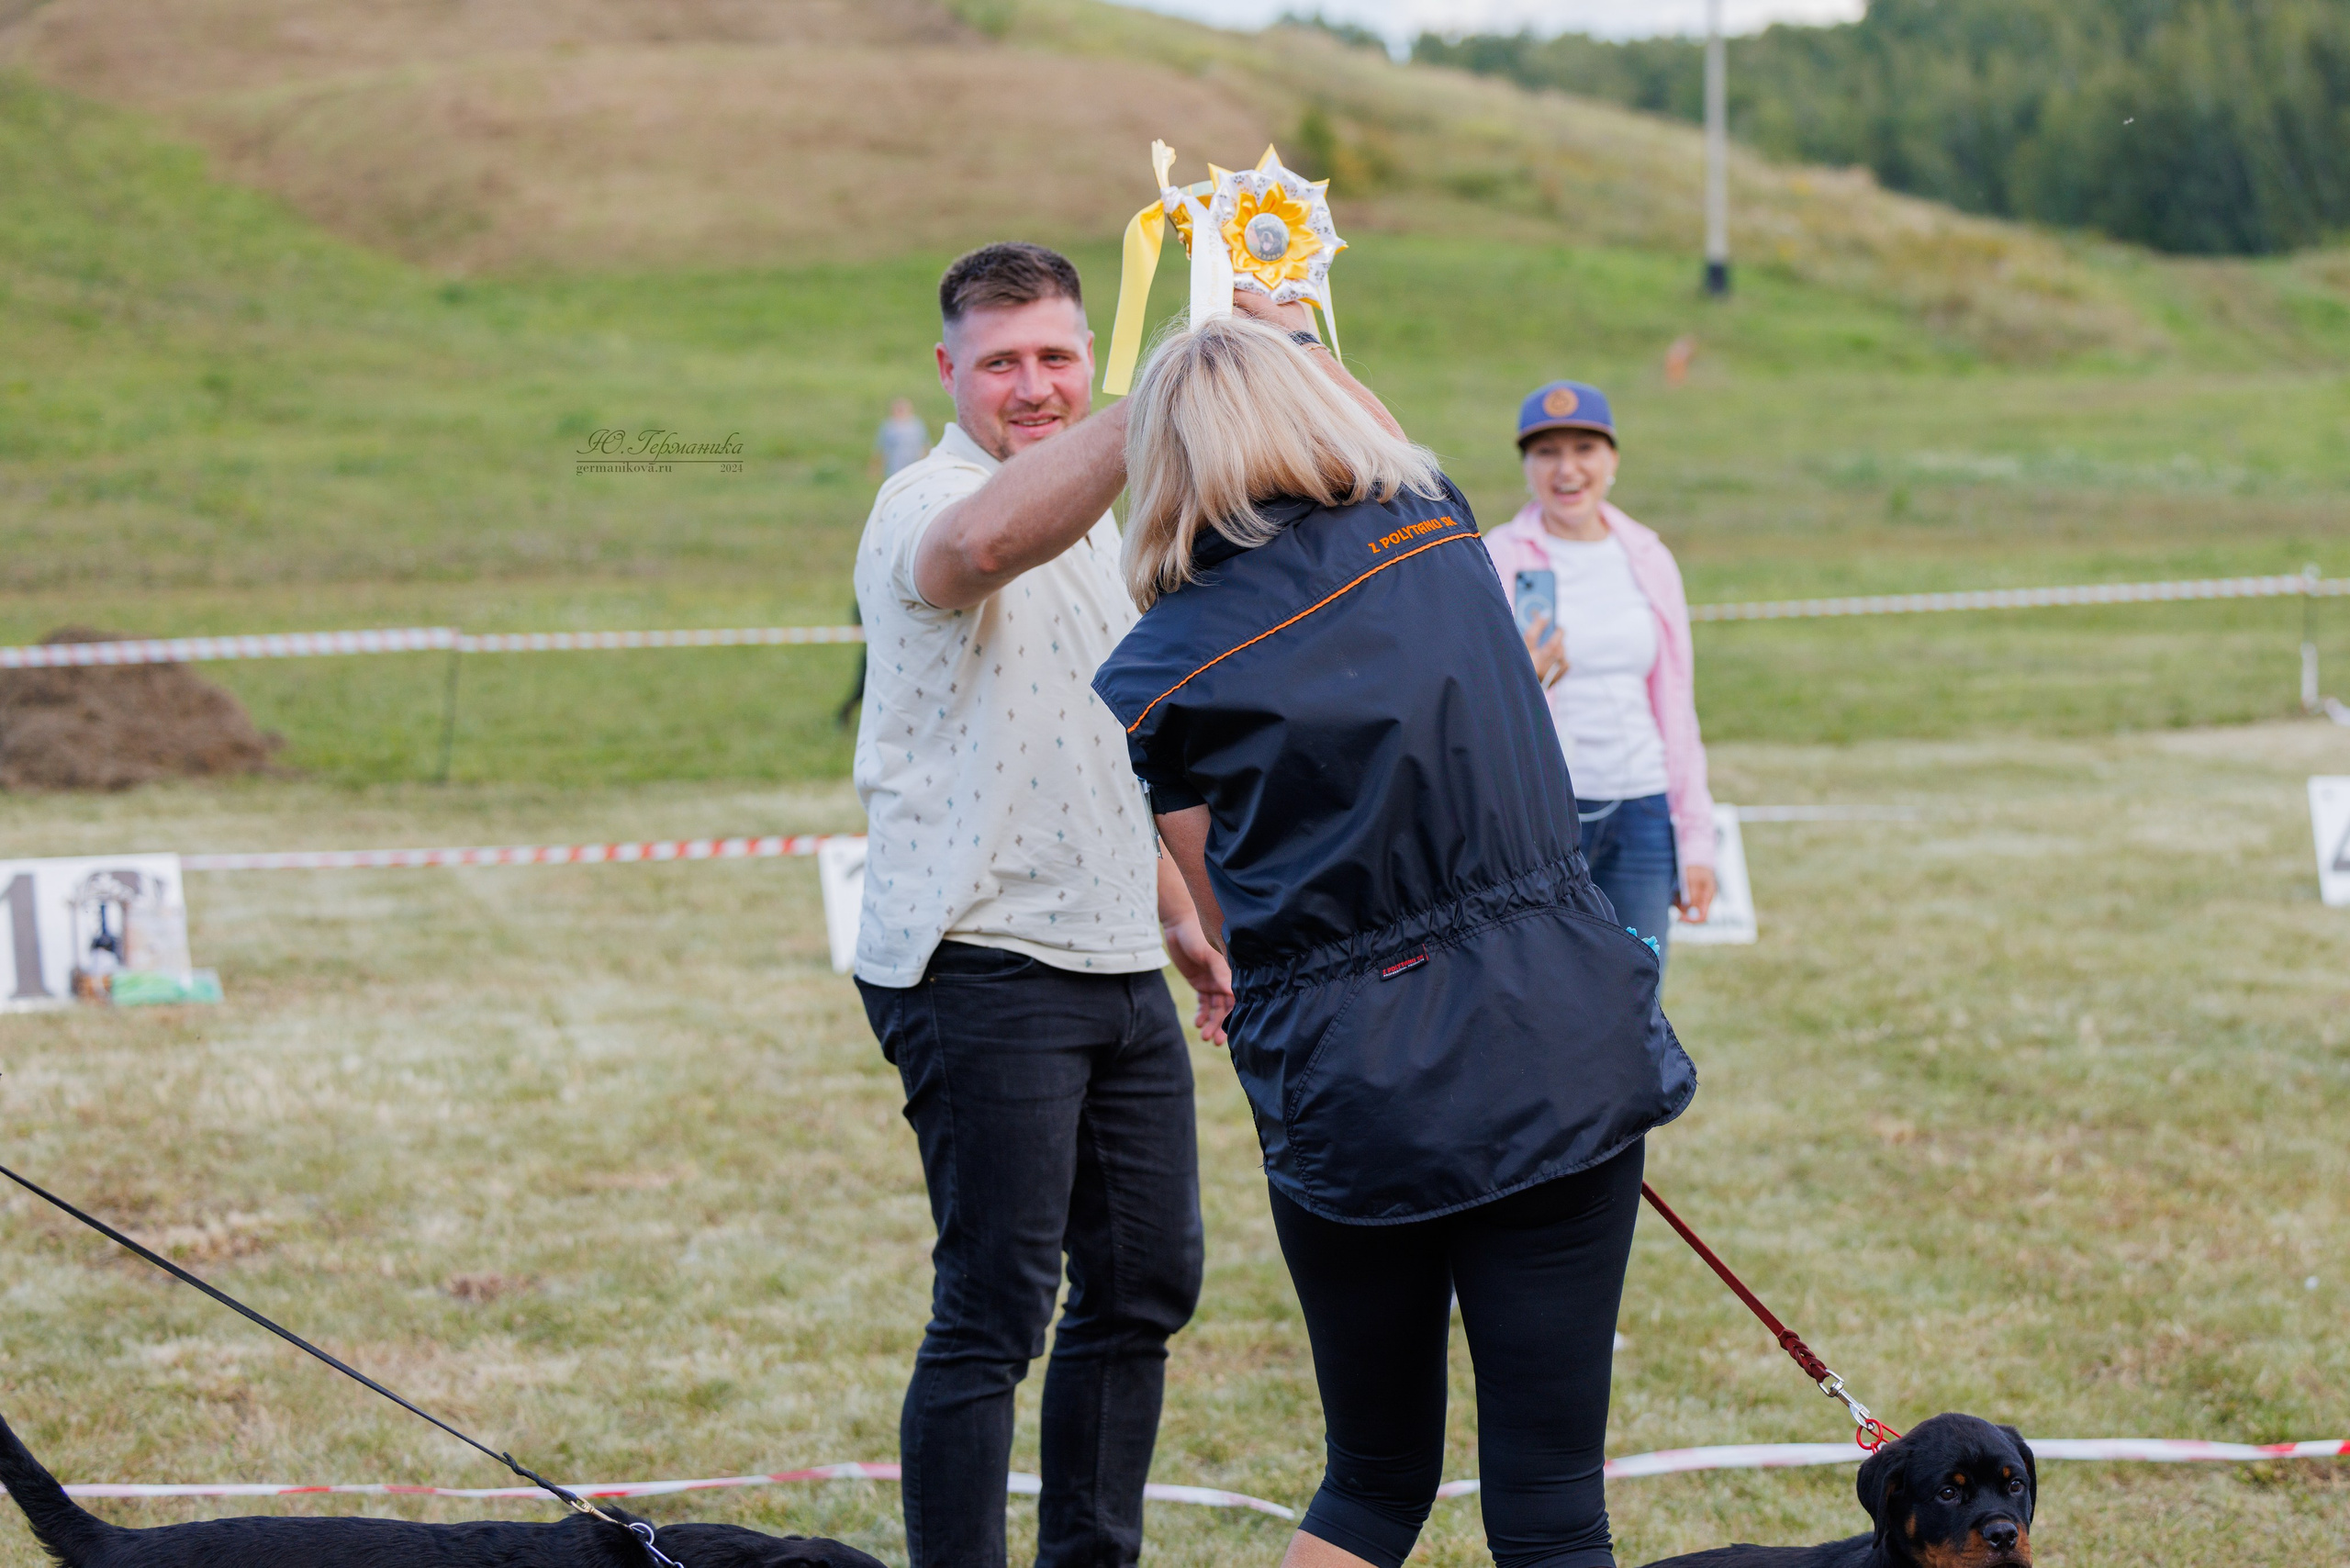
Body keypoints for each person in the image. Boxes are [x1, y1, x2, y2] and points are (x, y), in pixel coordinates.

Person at [1093, 307, 1695, 1568]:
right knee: (1551, 1503)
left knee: (1369, 1483)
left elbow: (1219, 908)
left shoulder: (1159, 667)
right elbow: (1384, 440)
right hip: (1550, 1038)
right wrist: (1302, 331)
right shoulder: (1441, 528)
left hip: (1350, 1083)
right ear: (1318, 409)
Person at [849, 242, 1235, 1568]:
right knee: (996, 1313)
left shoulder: (1105, 529)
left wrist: (1180, 906)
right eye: (1001, 361)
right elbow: (981, 544)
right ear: (949, 372)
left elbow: (1112, 734)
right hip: (979, 957)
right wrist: (1175, 385)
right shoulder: (927, 495)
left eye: (1057, 357)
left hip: (1114, 949)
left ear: (1088, 358)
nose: (1032, 384)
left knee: (1144, 1287)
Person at [1483, 381, 1718, 966]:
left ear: (1612, 460)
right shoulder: (1497, 557)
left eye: (1584, 448)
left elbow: (1677, 705)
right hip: (1545, 822)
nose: (1567, 469)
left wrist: (1696, 838)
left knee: (1639, 997)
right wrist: (1523, 679)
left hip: (1643, 812)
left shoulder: (1648, 557)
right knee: (1549, 995)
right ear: (1527, 466)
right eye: (1547, 452)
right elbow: (1468, 704)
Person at [871, 396, 932, 477]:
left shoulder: (917, 424)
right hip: (895, 466)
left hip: (915, 463)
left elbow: (925, 444)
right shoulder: (888, 426)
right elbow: (881, 449)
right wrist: (876, 468)